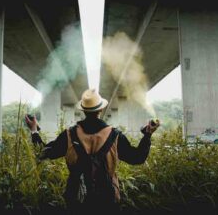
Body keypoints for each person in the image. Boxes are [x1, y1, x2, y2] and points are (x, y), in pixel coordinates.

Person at [25, 89, 160, 215]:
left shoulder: (69, 135)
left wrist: (34, 130)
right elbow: (137, 158)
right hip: (107, 199)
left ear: (83, 109)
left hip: (76, 198)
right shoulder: (115, 136)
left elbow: (42, 152)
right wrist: (147, 135)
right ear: (101, 109)